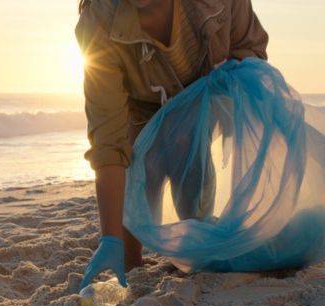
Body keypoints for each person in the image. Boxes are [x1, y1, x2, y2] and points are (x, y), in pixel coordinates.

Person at [75, 0, 269, 290]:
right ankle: (129, 258)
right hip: (139, 106)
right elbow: (108, 139)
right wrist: (110, 238)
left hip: (210, 91)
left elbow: (250, 52)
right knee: (141, 165)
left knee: (187, 159)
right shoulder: (100, 20)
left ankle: (198, 234)